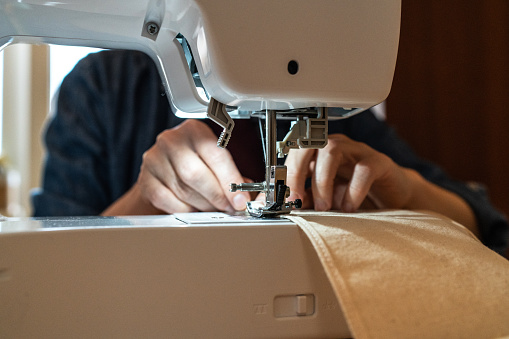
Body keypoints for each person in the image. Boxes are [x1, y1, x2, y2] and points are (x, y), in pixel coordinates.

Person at [32, 50, 509, 256]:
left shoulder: (323, 96)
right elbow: (46, 273)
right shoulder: (104, 87)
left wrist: (407, 191)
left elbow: (484, 229)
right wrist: (145, 199)